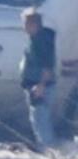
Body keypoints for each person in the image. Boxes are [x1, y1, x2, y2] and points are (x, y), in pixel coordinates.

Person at [20, 8, 59, 149]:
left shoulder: (41, 41)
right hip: (34, 85)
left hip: (39, 86)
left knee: (41, 120)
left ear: (34, 24)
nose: (24, 27)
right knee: (38, 119)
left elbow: (47, 66)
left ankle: (48, 150)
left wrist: (41, 85)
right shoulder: (36, 39)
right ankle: (45, 148)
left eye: (25, 24)